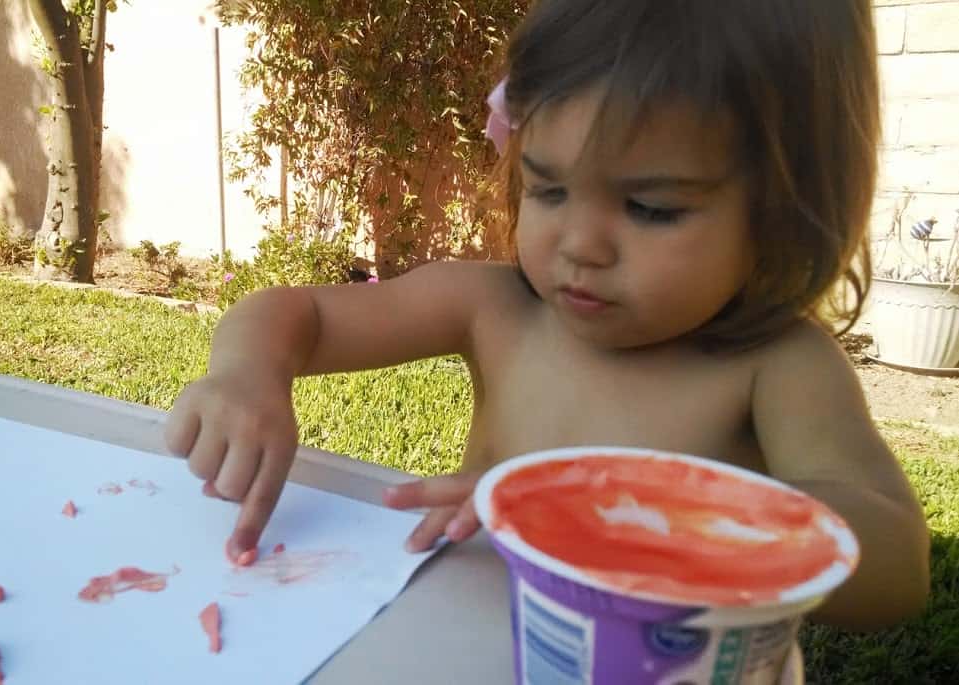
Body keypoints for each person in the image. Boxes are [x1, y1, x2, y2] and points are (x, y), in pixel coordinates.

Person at [164, 0, 929, 629]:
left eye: (650, 208)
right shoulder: (493, 309)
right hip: (477, 641)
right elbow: (298, 315)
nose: (580, 245)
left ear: (783, 209)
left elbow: (895, 568)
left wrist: (635, 513)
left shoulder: (775, 365)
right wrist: (245, 371)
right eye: (548, 190)